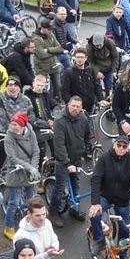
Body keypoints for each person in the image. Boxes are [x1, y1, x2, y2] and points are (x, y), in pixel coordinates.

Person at [88, 134, 130, 253]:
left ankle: (122, 255)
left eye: (124, 146)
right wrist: (95, 203)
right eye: (119, 145)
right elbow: (96, 179)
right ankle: (99, 240)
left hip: (122, 199)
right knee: (95, 215)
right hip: (105, 196)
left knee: (125, 230)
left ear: (127, 148)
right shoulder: (104, 158)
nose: (121, 148)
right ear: (114, 145)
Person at [50, 96, 92, 227]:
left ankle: (74, 209)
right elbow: (59, 145)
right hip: (63, 160)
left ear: (81, 107)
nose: (75, 108)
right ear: (68, 105)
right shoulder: (60, 121)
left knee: (76, 184)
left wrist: (85, 151)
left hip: (77, 157)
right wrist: (67, 163)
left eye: (78, 106)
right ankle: (54, 211)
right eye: (73, 106)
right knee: (60, 186)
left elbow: (87, 136)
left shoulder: (83, 119)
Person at [0, 113, 39, 239]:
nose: (12, 127)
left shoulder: (31, 134)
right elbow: (12, 158)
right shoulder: (9, 138)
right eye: (11, 124)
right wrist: (31, 168)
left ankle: (32, 223)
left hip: (28, 172)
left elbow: (35, 152)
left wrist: (34, 167)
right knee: (14, 202)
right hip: (15, 171)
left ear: (23, 126)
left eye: (15, 124)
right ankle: (9, 227)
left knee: (32, 200)